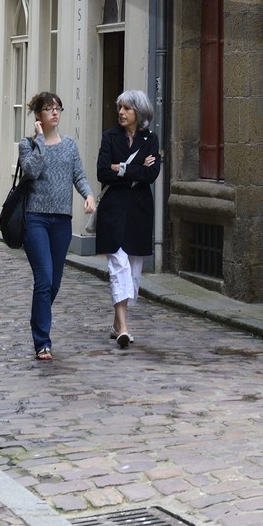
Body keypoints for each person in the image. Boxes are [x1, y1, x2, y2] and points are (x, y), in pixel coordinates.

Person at [18, 91, 96, 361]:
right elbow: (32, 171)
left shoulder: (70, 145)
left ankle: (38, 317)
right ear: (38, 115)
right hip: (35, 218)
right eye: (49, 109)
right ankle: (42, 341)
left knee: (55, 284)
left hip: (61, 220)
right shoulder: (27, 145)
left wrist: (88, 195)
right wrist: (39, 140)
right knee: (44, 279)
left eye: (58, 108)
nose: (55, 112)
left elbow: (79, 176)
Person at [95, 90, 161, 348]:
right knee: (118, 266)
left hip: (139, 212)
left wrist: (119, 167)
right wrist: (134, 170)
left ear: (139, 113)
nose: (121, 112)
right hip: (113, 211)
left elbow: (151, 174)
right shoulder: (109, 137)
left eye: (127, 109)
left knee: (133, 271)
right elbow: (102, 172)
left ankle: (115, 323)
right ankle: (123, 328)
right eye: (119, 107)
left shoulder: (150, 139)